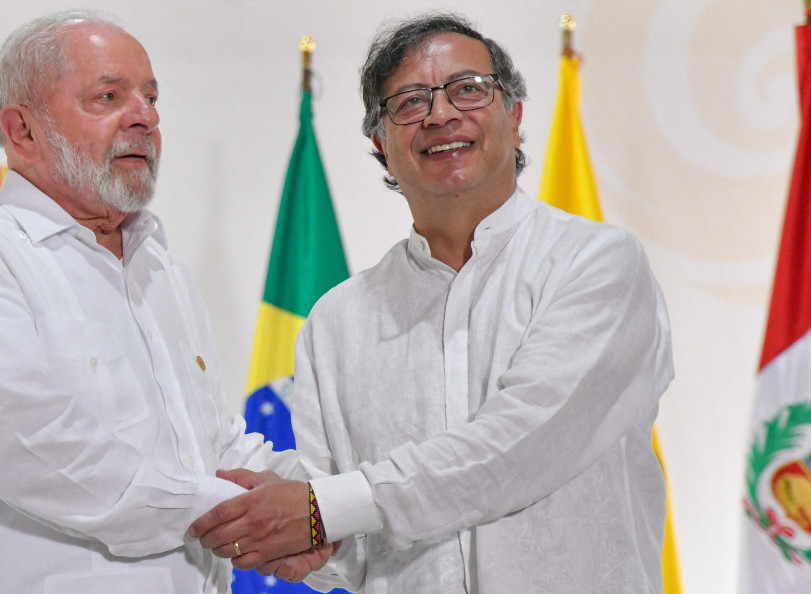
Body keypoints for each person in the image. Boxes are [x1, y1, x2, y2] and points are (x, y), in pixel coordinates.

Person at [189, 12, 674, 593]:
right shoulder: (339, 322)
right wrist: (306, 533)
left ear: (515, 117)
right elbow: (349, 545)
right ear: (381, 143)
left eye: (469, 90)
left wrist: (322, 512)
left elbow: (519, 446)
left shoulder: (595, 264)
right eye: (410, 102)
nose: (441, 114)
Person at [0, 10, 327, 593]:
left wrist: (325, 507)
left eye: (150, 96)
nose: (145, 116)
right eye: (109, 96)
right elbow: (47, 460)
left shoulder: (161, 270)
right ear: (22, 131)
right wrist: (268, 518)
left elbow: (213, 447)